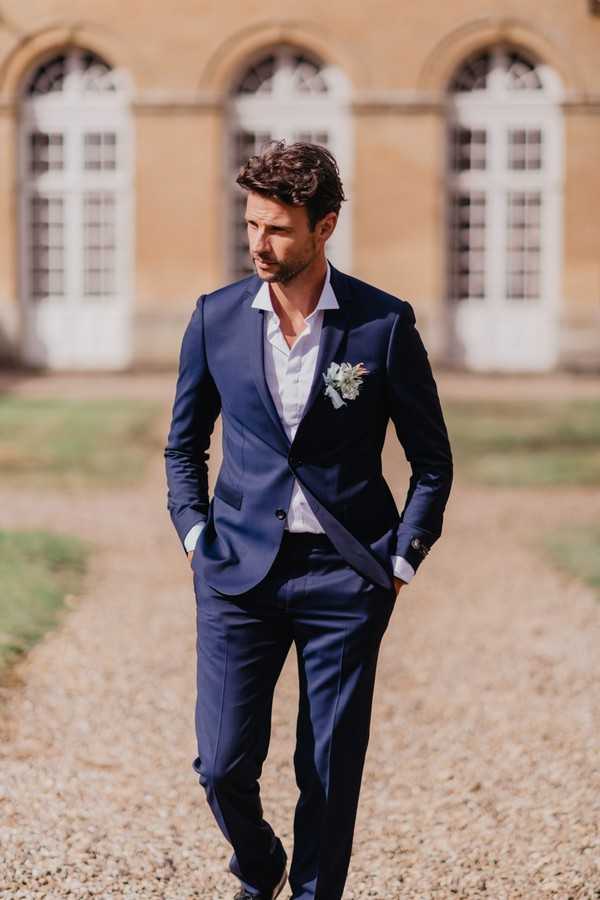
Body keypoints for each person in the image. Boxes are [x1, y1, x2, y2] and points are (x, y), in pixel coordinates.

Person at [164, 140, 453, 900]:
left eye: (278, 229)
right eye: (252, 225)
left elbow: (432, 460)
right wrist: (196, 535)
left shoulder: (382, 324)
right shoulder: (214, 318)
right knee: (222, 763)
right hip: (236, 574)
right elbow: (183, 445)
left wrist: (399, 560)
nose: (259, 244)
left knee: (327, 766)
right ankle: (259, 867)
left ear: (325, 227)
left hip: (346, 574)